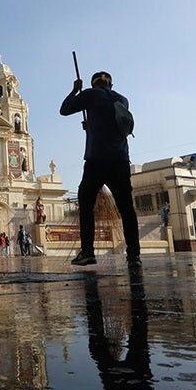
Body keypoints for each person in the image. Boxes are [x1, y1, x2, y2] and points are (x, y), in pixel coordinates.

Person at [60, 71, 141, 268]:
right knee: (127, 208)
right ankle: (134, 256)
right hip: (120, 160)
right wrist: (91, 125)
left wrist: (75, 91)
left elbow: (64, 109)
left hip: (97, 159)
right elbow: (112, 123)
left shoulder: (92, 94)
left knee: (86, 203)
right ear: (111, 85)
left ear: (94, 84)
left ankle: (88, 252)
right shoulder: (122, 99)